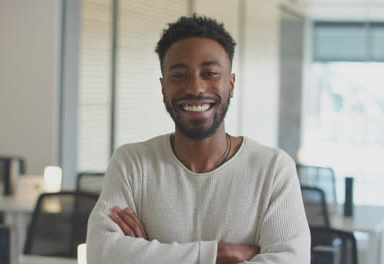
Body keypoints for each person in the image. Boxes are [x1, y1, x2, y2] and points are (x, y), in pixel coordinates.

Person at [86, 15, 310, 264]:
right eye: (180, 76)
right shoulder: (132, 162)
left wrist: (150, 254)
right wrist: (218, 254)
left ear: (231, 84)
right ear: (163, 87)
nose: (195, 88)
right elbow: (101, 253)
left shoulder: (273, 169)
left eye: (210, 73)